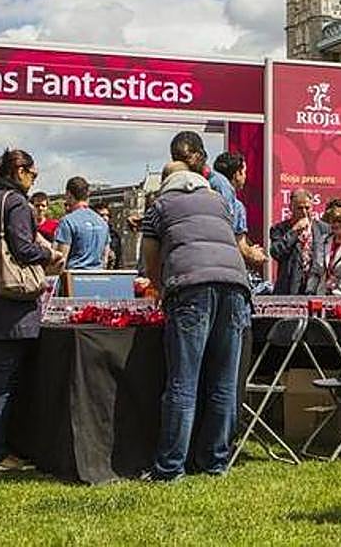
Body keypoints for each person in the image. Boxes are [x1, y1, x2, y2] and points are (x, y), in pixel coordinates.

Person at [141, 161, 251, 481]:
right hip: (235, 286)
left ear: (165, 182)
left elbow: (150, 253)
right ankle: (214, 461)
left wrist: (158, 286)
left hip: (190, 286)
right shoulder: (218, 200)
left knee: (183, 382)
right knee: (224, 380)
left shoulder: (160, 206)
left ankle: (170, 466)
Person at [0, 150, 62, 473]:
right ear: (20, 170)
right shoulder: (16, 203)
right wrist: (48, 253)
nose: (34, 179)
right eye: (33, 174)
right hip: (11, 301)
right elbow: (23, 248)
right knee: (4, 378)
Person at [212, 152, 268, 275]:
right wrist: (253, 253)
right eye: (244, 172)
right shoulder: (237, 207)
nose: (245, 177)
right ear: (237, 174)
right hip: (226, 270)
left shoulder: (206, 193)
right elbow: (240, 246)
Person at [269, 189, 330, 296]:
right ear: (291, 208)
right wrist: (294, 231)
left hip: (315, 288)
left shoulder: (323, 229)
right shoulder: (279, 229)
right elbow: (276, 252)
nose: (304, 212)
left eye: (307, 208)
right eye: (299, 208)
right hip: (289, 287)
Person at [53, 177, 110, 271]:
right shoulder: (102, 222)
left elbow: (61, 260)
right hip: (98, 277)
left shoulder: (68, 221)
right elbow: (105, 258)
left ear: (68, 194)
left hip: (74, 279)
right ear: (87, 195)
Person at [93, 203, 123, 270]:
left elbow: (119, 259)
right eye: (101, 215)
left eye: (107, 215)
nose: (105, 218)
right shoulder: (90, 233)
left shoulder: (114, 235)